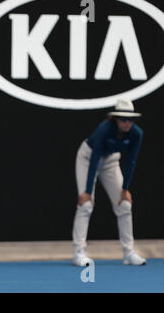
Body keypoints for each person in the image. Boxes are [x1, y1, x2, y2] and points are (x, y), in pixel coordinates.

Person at [72, 99, 146, 266]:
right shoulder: (103, 129)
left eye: (130, 120)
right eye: (123, 119)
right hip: (88, 158)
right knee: (85, 205)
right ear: (115, 119)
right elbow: (94, 158)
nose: (127, 123)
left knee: (125, 204)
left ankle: (128, 252)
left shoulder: (137, 134)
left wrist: (125, 188)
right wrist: (87, 191)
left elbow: (131, 161)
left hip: (111, 162)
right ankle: (79, 252)